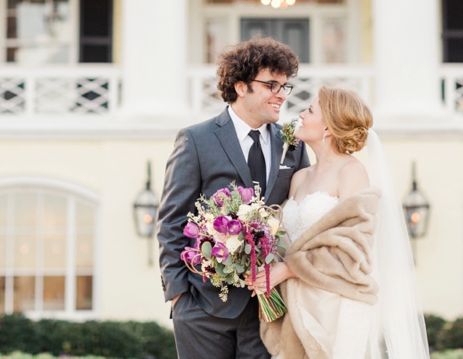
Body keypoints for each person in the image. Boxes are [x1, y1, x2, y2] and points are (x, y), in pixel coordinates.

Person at [157, 38, 311, 359]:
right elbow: (172, 220)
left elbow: (303, 216)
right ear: (241, 86)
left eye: (285, 86)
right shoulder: (196, 140)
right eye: (271, 84)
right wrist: (179, 296)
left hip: (270, 310)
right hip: (203, 308)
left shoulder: (292, 147)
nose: (281, 94)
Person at [250, 87, 430, 359]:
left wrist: (288, 270)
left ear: (329, 128)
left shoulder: (351, 172)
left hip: (336, 305)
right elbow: (286, 240)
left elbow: (354, 248)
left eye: (310, 110)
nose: (300, 114)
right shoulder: (299, 178)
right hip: (297, 302)